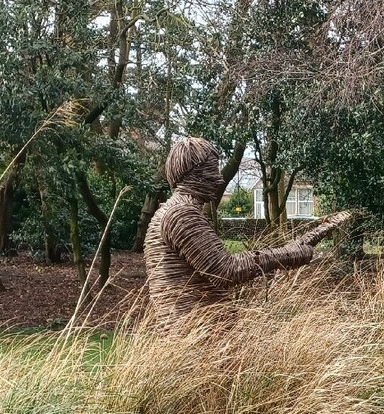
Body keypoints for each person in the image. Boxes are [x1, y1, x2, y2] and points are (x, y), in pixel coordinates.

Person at [143, 137, 353, 321]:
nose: (218, 178)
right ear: (193, 173)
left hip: (193, 330)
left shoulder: (169, 212)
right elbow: (225, 270)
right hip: (196, 336)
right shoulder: (182, 214)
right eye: (211, 170)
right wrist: (290, 254)